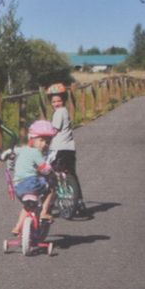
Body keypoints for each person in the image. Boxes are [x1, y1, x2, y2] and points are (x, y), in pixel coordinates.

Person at [8, 120, 57, 235]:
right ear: (32, 139)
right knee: (51, 189)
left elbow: (11, 153)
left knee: (28, 207)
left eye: (47, 141)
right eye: (41, 140)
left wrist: (10, 160)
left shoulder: (21, 149)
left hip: (18, 186)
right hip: (31, 184)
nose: (44, 144)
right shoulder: (36, 153)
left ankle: (17, 227)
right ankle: (44, 212)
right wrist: (52, 174)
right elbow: (45, 168)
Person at [45, 83, 87, 215]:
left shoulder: (59, 112)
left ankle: (49, 203)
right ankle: (79, 202)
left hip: (58, 148)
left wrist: (43, 138)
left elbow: (54, 130)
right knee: (71, 173)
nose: (56, 103)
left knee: (51, 174)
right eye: (53, 101)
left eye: (59, 100)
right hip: (69, 148)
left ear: (63, 100)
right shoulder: (66, 111)